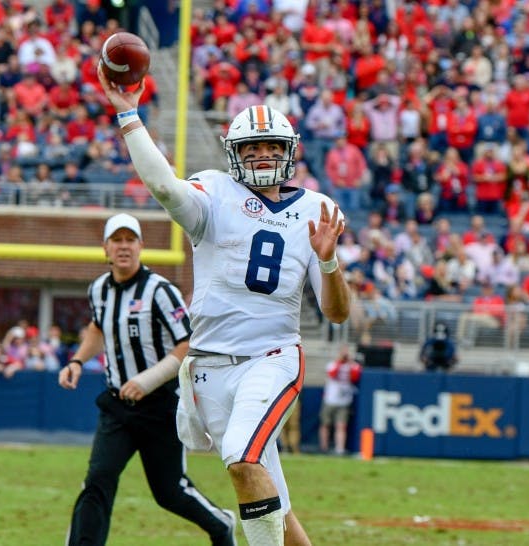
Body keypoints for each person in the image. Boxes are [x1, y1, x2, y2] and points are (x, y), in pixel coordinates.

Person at [98, 66, 351, 546]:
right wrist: (128, 115)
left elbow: (337, 313)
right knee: (276, 503)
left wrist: (330, 261)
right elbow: (165, 187)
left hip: (271, 356)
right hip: (210, 366)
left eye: (272, 147)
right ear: (234, 155)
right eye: (251, 149)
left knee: (241, 456)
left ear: (289, 153)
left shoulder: (316, 211)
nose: (262, 156)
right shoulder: (214, 193)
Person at [57, 214, 236, 546]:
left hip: (160, 406)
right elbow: (98, 327)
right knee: (98, 479)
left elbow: (188, 343)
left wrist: (149, 379)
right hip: (118, 406)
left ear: (141, 246)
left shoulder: (160, 290)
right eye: (117, 240)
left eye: (130, 240)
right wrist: (78, 360)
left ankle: (221, 524)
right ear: (105, 248)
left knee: (169, 492)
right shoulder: (98, 289)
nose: (123, 246)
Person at [319, 345, 362, 455]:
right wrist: (339, 361)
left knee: (341, 425)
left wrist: (350, 362)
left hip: (344, 401)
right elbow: (332, 374)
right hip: (330, 399)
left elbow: (355, 377)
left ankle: (340, 448)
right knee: (325, 424)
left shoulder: (353, 365)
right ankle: (323, 448)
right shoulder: (332, 364)